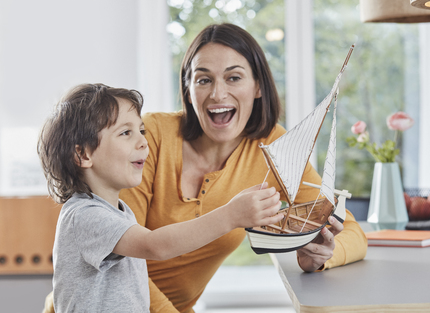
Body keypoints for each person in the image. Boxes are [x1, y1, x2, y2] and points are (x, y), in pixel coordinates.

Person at [44, 23, 368, 313]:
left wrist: (321, 255)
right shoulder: (147, 141)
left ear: (258, 87)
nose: (217, 93)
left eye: (234, 77)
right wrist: (231, 215)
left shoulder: (270, 147)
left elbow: (347, 229)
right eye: (203, 79)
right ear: (188, 88)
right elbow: (141, 253)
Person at [37, 83, 283, 312]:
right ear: (83, 154)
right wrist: (230, 216)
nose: (144, 142)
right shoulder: (85, 215)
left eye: (141, 130)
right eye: (125, 133)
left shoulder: (119, 211)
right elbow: (156, 245)